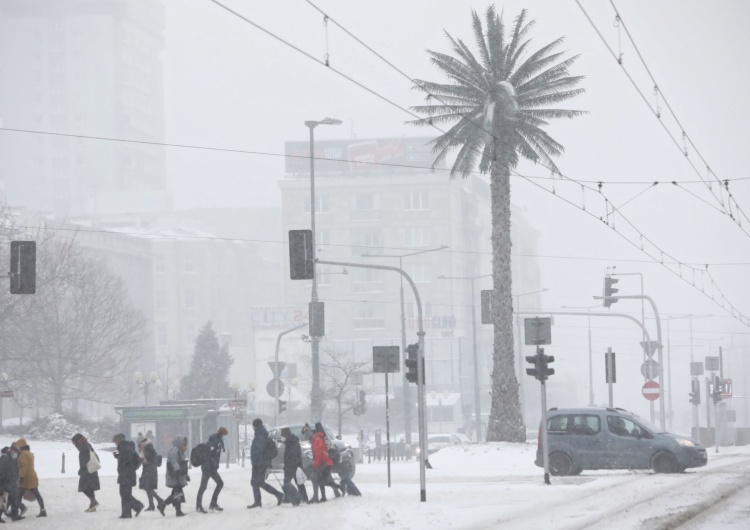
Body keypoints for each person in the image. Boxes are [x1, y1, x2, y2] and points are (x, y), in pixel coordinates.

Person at [247, 418, 283, 509]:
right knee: (257, 483)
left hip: (260, 464)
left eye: (254, 426)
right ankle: (276, 495)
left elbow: (260, 451)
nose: (253, 428)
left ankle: (276, 496)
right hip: (258, 463)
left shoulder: (261, 436)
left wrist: (261, 461)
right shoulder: (260, 434)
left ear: (257, 426)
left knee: (257, 483)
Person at [112, 433, 144, 519]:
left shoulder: (124, 448)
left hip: (126, 474)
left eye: (115, 441)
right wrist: (118, 456)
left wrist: (122, 463)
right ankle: (132, 509)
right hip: (128, 473)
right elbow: (128, 458)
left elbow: (126, 460)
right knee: (125, 493)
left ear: (119, 440)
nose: (115, 443)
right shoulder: (126, 447)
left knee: (125, 494)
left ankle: (129, 511)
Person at [196, 426, 227, 513]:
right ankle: (199, 506)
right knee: (203, 486)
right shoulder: (215, 442)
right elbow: (209, 455)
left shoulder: (216, 441)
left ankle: (212, 504)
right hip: (207, 468)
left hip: (211, 468)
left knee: (219, 483)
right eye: (224, 435)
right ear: (222, 434)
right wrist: (214, 463)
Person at [158, 435, 189, 517]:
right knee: (177, 493)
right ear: (179, 443)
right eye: (184, 444)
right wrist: (178, 471)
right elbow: (174, 461)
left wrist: (185, 475)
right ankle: (175, 510)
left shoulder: (179, 451)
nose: (185, 446)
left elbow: (182, 464)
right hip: (174, 476)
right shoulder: (174, 450)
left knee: (177, 493)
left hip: (178, 476)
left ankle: (164, 506)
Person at [16, 438, 46, 518]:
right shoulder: (29, 453)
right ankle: (43, 510)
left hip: (26, 477)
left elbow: (24, 466)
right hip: (32, 476)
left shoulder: (22, 453)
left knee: (17, 495)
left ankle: (19, 511)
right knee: (37, 494)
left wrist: (21, 476)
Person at [72, 433, 100, 512]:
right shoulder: (87, 445)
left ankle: (93, 502)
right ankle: (93, 504)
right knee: (90, 488)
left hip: (87, 471)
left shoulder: (83, 447)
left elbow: (84, 460)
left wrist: (81, 469)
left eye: (74, 443)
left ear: (78, 441)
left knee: (84, 488)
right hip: (92, 470)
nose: (74, 445)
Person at [137, 433, 164, 511]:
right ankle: (151, 505)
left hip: (150, 469)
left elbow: (150, 459)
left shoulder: (148, 447)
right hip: (147, 469)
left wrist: (145, 460)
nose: (138, 445)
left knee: (148, 487)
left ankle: (159, 500)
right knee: (147, 487)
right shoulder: (144, 447)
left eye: (139, 443)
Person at [311, 423, 335, 503]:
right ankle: (326, 495)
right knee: (322, 480)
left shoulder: (317, 439)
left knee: (315, 479)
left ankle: (316, 497)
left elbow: (318, 453)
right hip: (327, 462)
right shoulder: (323, 437)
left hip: (322, 462)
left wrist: (316, 464)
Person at [280, 427, 304, 506]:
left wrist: (292, 466)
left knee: (290, 482)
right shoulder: (289, 441)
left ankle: (299, 498)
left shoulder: (292, 442)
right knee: (297, 483)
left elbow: (293, 455)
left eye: (282, 435)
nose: (281, 437)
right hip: (291, 466)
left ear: (286, 435)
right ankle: (302, 498)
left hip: (293, 466)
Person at [0, 445, 22, 521]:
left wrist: (17, 478)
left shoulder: (14, 459)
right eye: (16, 452)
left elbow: (16, 470)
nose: (16, 454)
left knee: (14, 500)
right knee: (4, 500)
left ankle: (14, 516)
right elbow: (1, 470)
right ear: (12, 450)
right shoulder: (4, 458)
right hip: (6, 483)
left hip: (13, 483)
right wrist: (3, 481)